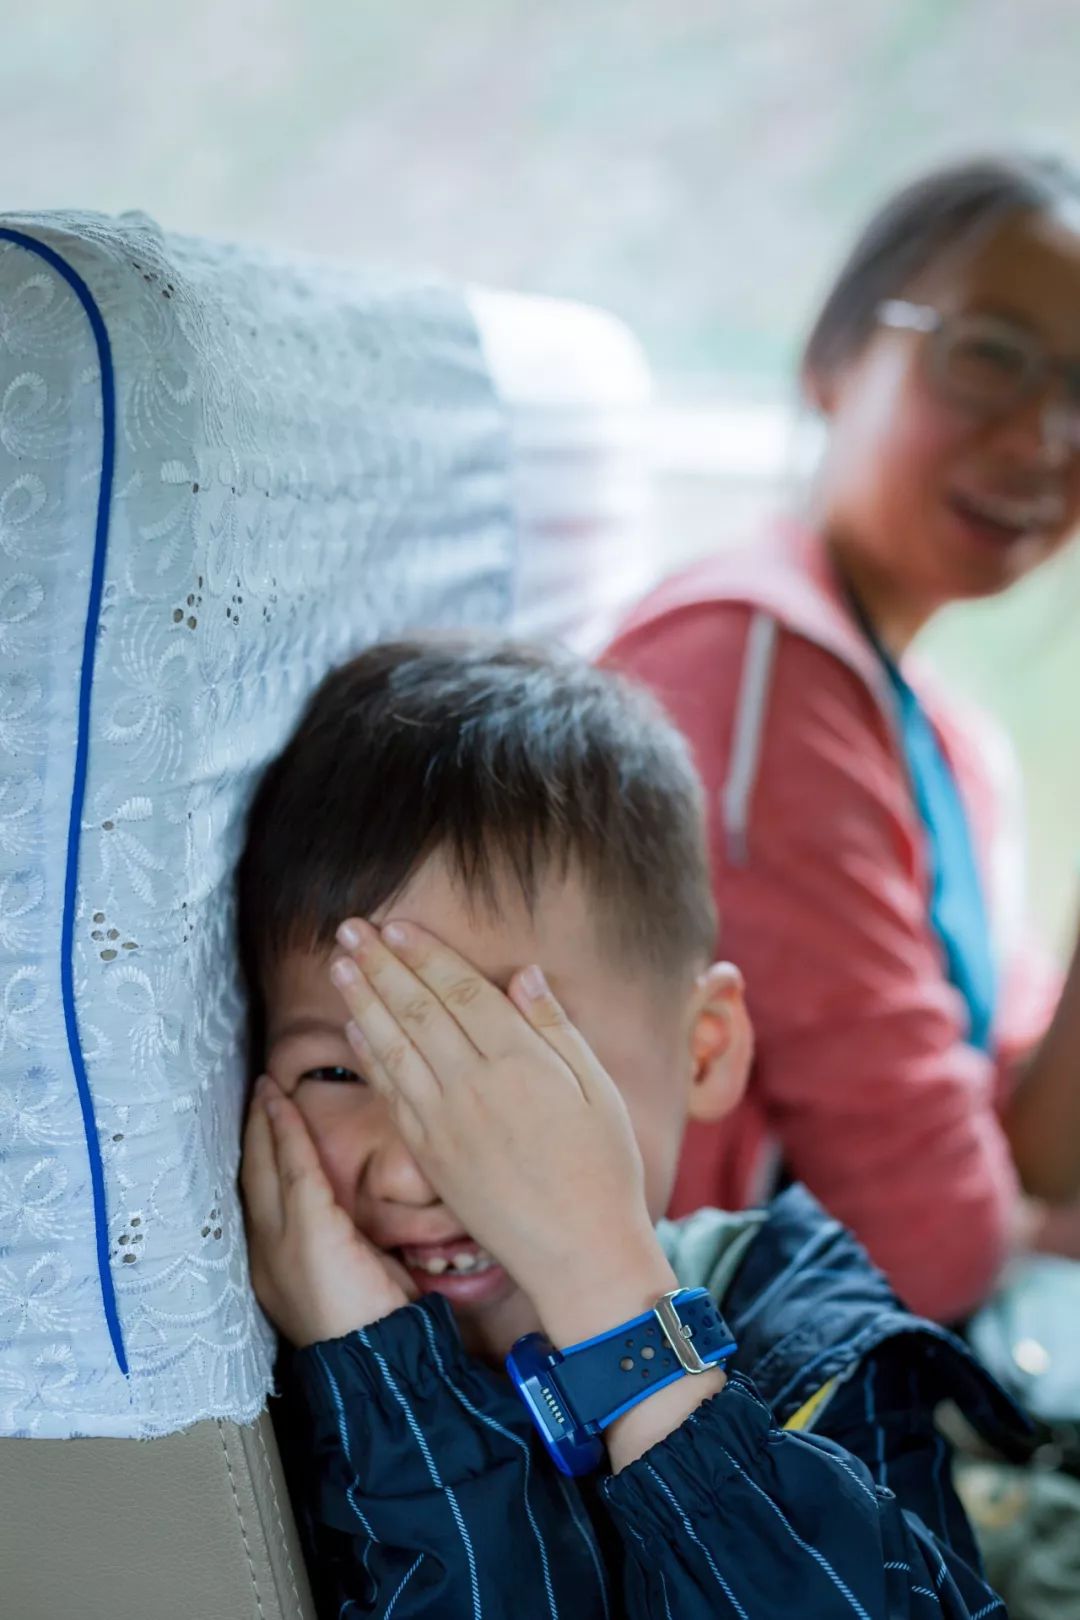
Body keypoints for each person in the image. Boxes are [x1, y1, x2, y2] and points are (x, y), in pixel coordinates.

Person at [238, 639, 1020, 1620]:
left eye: (504, 1067)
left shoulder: (806, 1323)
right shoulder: (308, 1406)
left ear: (704, 1050)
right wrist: (399, 1409)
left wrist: (614, 1306)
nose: (412, 1167)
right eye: (337, 1072)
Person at [605, 152, 1080, 1326]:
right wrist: (1017, 1224)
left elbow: (1025, 1144)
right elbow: (931, 1251)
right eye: (991, 356)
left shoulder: (940, 735)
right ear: (833, 358)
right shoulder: (754, 671)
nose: (1043, 439)